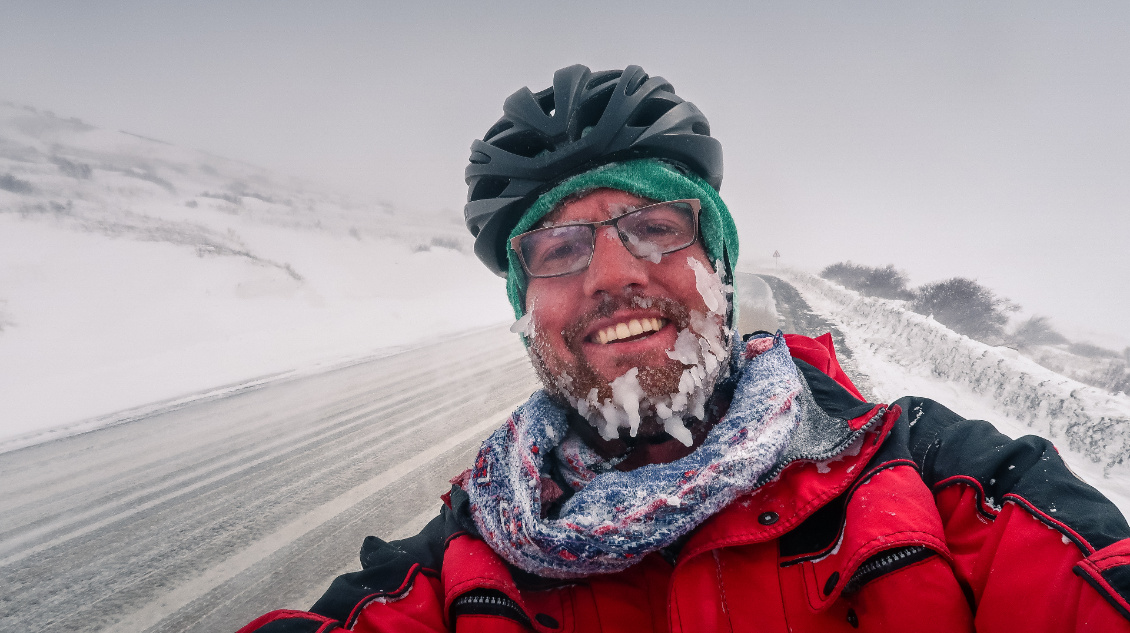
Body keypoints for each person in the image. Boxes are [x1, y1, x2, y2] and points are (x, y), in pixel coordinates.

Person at [238, 65, 1130, 632]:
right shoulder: (456, 572)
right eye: (557, 248)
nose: (611, 273)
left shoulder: (943, 481)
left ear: (722, 269)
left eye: (656, 225)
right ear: (527, 307)